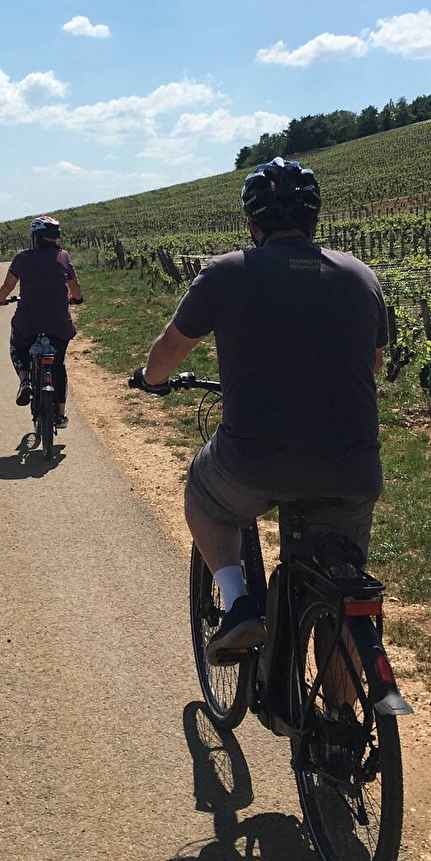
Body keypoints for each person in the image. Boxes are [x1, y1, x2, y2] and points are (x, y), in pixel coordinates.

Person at [130, 159, 387, 662]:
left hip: (254, 462)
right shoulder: (361, 275)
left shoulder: (228, 271)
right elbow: (374, 361)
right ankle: (346, 705)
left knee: (203, 495)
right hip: (353, 465)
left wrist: (150, 378)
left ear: (251, 223)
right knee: (343, 587)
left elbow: (171, 348)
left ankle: (239, 604)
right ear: (316, 219)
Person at [0, 216, 83, 428]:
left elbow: (8, 286)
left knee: (17, 346)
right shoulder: (63, 256)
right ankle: (60, 414)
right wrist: (77, 299)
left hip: (28, 321)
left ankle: (25, 380)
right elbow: (75, 286)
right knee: (58, 364)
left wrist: (0, 300)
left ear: (35, 237)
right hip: (59, 323)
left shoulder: (22, 257)